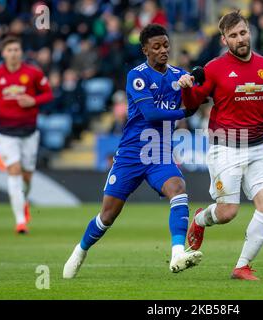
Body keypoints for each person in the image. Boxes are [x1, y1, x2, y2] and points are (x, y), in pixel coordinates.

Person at [63, 24, 201, 279]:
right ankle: (80, 250)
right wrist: (183, 111)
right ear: (145, 50)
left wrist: (189, 87)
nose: (163, 51)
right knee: (107, 216)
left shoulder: (176, 74)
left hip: (159, 152)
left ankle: (177, 253)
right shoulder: (136, 76)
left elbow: (194, 106)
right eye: (156, 47)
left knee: (178, 189)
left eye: (166, 45)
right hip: (131, 154)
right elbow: (151, 114)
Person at [177, 11, 263, 281]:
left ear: (249, 32)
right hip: (226, 147)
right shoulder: (214, 68)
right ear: (224, 40)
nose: (240, 39)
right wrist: (186, 87)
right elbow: (194, 101)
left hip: (258, 147)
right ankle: (199, 220)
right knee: (228, 212)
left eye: (243, 32)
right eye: (233, 35)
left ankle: (242, 266)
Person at [0, 36, 53, 234]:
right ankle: (20, 221)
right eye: (10, 50)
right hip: (6, 133)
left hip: (29, 133)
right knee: (13, 169)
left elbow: (48, 93)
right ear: (3, 53)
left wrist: (33, 100)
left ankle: (23, 202)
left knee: (27, 176)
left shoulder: (32, 73)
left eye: (16, 49)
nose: (13, 53)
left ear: (21, 52)